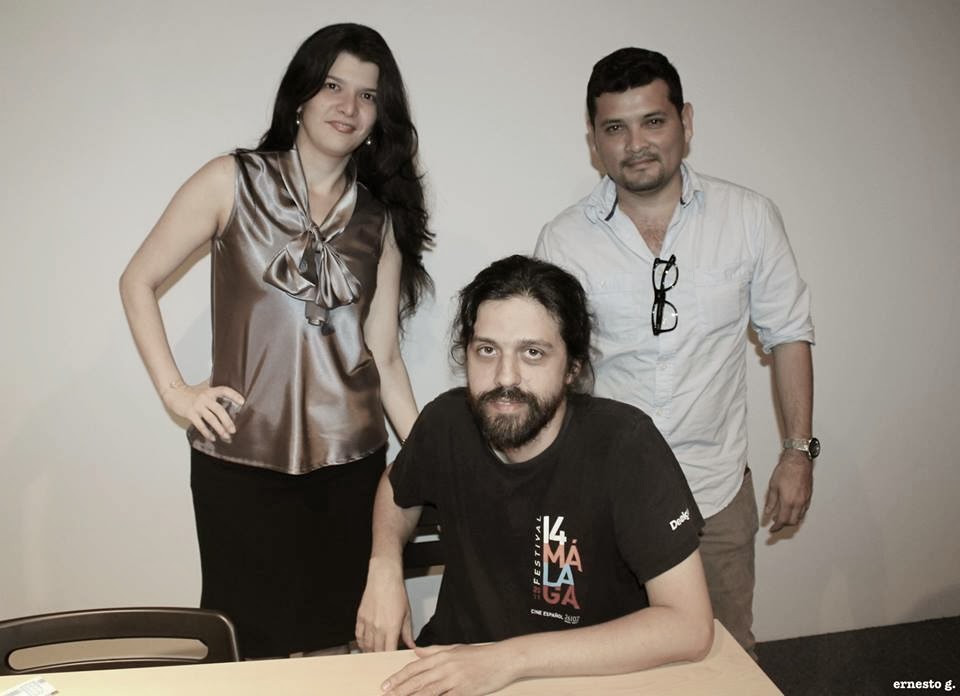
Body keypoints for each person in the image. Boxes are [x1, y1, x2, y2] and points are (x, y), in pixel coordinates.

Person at [119, 23, 433, 658]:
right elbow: (137, 280)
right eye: (333, 86)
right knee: (245, 644)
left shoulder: (379, 220)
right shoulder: (230, 180)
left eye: (367, 96)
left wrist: (435, 460)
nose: (348, 106)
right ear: (301, 95)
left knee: (340, 643)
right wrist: (177, 392)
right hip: (240, 465)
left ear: (380, 117)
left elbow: (384, 357)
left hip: (351, 467)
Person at [535, 47, 817, 657]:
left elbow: (789, 334)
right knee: (609, 660)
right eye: (615, 127)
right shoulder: (562, 240)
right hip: (605, 499)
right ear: (594, 140)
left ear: (686, 122)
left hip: (716, 493)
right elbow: (551, 370)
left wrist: (797, 454)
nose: (636, 143)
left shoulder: (749, 218)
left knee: (725, 658)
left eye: (653, 121)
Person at [355, 255, 713, 696]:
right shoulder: (447, 422)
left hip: (584, 679)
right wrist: (384, 563)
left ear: (572, 367)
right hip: (454, 666)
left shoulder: (625, 445)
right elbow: (396, 487)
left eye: (533, 353)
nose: (505, 377)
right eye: (487, 350)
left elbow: (689, 626)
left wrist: (508, 660)